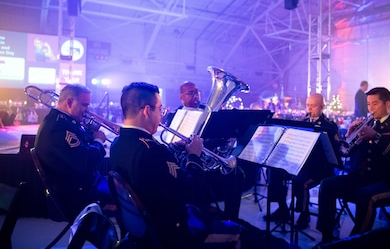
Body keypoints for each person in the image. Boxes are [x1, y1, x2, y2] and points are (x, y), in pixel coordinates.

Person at [110, 82, 240, 249]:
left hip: (141, 228)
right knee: (235, 231)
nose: (161, 115)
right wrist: (194, 156)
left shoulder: (118, 143)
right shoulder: (153, 152)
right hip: (169, 232)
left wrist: (171, 148)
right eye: (159, 109)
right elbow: (192, 192)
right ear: (147, 110)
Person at [316, 87, 390, 244]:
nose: (370, 108)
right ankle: (326, 237)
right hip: (364, 177)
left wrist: (375, 136)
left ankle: (356, 242)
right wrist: (349, 135)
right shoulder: (368, 125)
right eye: (368, 104)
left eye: (375, 104)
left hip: (389, 181)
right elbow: (345, 152)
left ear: (387, 104)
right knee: (327, 184)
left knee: (365, 195)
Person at [165, 80, 245, 221]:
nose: (196, 95)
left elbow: (218, 135)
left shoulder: (208, 112)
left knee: (236, 173)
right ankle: (199, 215)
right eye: (191, 93)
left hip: (208, 158)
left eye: (197, 92)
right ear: (181, 97)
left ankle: (231, 218)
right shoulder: (173, 116)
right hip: (185, 160)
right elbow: (170, 143)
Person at [34, 84, 112, 221]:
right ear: (69, 102)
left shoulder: (64, 122)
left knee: (120, 186)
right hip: (75, 194)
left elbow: (80, 146)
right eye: (84, 105)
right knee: (127, 197)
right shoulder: (59, 127)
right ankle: (121, 240)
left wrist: (90, 132)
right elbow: (86, 162)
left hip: (80, 185)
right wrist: (98, 141)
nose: (87, 110)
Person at [264, 93, 341, 231]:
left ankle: (304, 214)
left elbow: (333, 152)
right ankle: (283, 209)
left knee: (299, 181)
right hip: (300, 163)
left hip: (319, 168)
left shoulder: (329, 126)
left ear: (322, 106)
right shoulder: (303, 121)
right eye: (308, 105)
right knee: (274, 171)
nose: (309, 109)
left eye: (313, 106)